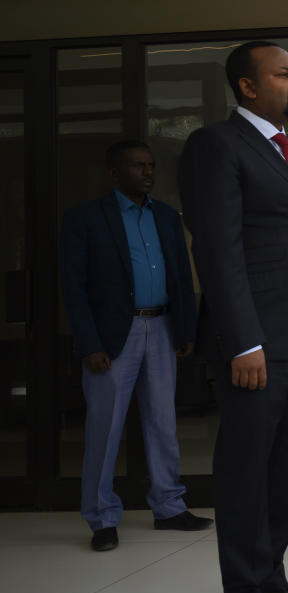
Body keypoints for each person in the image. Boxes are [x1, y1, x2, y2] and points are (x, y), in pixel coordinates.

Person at [178, 41, 288, 593]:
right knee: (246, 474)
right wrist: (243, 341)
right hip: (256, 347)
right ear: (247, 86)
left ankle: (270, 580)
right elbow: (217, 250)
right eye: (284, 73)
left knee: (287, 470)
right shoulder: (215, 146)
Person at [60, 140, 211, 553]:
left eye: (150, 165)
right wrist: (89, 343)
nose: (147, 172)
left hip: (161, 329)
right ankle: (102, 518)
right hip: (113, 337)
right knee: (105, 430)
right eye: (137, 166)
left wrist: (185, 330)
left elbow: (182, 277)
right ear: (114, 173)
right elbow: (73, 288)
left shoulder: (165, 217)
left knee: (163, 423)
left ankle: (169, 507)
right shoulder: (85, 219)